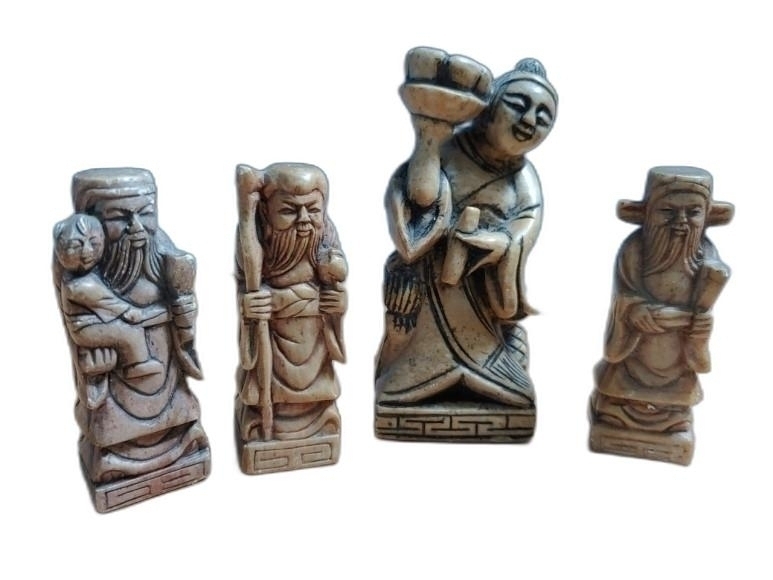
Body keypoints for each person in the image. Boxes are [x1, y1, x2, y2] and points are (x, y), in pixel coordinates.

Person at [374, 49, 558, 439]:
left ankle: (495, 363)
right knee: (401, 377)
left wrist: (499, 243)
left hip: (481, 296)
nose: (529, 120)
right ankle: (413, 376)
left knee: (516, 395)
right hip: (430, 288)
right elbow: (414, 203)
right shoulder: (449, 148)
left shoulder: (524, 179)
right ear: (489, 108)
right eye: (518, 105)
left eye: (543, 117)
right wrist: (428, 143)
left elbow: (525, 228)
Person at [60, 167, 208, 489]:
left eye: (146, 213)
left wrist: (185, 313)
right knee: (109, 422)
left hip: (166, 367)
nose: (137, 227)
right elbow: (78, 327)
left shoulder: (160, 246)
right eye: (120, 217)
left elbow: (183, 302)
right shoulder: (79, 265)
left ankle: (179, 438)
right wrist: (93, 369)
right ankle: (116, 458)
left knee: (180, 409)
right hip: (117, 381)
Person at [590, 167, 731, 444]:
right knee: (615, 404)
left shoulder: (707, 257)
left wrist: (699, 330)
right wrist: (634, 311)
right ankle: (618, 413)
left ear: (707, 216)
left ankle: (671, 422)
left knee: (675, 415)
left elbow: (703, 309)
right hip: (633, 356)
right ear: (648, 212)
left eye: (693, 212)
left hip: (677, 360)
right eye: (668, 211)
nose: (681, 222)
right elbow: (624, 297)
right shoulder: (635, 249)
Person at [237, 163, 347, 447]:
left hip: (314, 337)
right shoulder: (254, 233)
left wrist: (337, 303)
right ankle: (263, 417)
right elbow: (246, 283)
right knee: (265, 383)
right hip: (272, 337)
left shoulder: (325, 233)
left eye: (313, 210)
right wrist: (248, 305)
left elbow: (336, 274)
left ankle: (318, 415)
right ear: (266, 210)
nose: (304, 220)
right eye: (289, 210)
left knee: (317, 387)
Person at [54, 213, 165, 380]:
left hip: (94, 323)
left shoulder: (86, 277)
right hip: (86, 329)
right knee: (130, 331)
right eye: (76, 246)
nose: (87, 252)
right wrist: (161, 313)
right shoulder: (82, 286)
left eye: (94, 243)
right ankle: (137, 365)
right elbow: (124, 311)